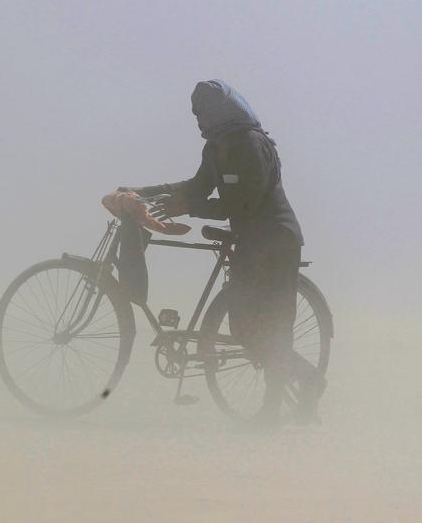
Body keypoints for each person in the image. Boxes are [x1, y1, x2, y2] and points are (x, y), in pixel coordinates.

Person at [124, 79, 326, 426]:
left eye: (202, 112)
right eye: (195, 113)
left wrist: (187, 207)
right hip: (250, 243)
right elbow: (197, 187)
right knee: (250, 330)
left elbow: (243, 203)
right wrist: (145, 193)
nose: (198, 120)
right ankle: (276, 408)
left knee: (268, 329)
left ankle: (305, 384)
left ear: (219, 111)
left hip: (275, 242)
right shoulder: (216, 147)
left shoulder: (251, 144)